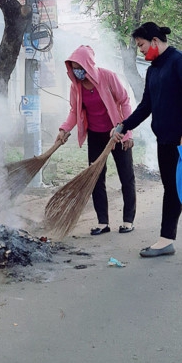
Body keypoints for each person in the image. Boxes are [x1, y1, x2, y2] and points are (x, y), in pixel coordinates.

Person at [118, 22, 182, 259]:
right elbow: (146, 106)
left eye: (142, 45)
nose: (141, 51)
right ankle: (166, 239)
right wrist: (124, 126)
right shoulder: (153, 69)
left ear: (155, 41)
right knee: (171, 188)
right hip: (165, 137)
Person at [56, 45, 136, 235]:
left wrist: (127, 133)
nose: (77, 72)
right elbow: (74, 111)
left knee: (126, 177)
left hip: (117, 133)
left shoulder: (108, 77)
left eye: (80, 67)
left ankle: (128, 220)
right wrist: (64, 129)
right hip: (96, 135)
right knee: (96, 178)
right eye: (74, 68)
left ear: (89, 65)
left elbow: (125, 102)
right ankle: (103, 222)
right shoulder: (76, 86)